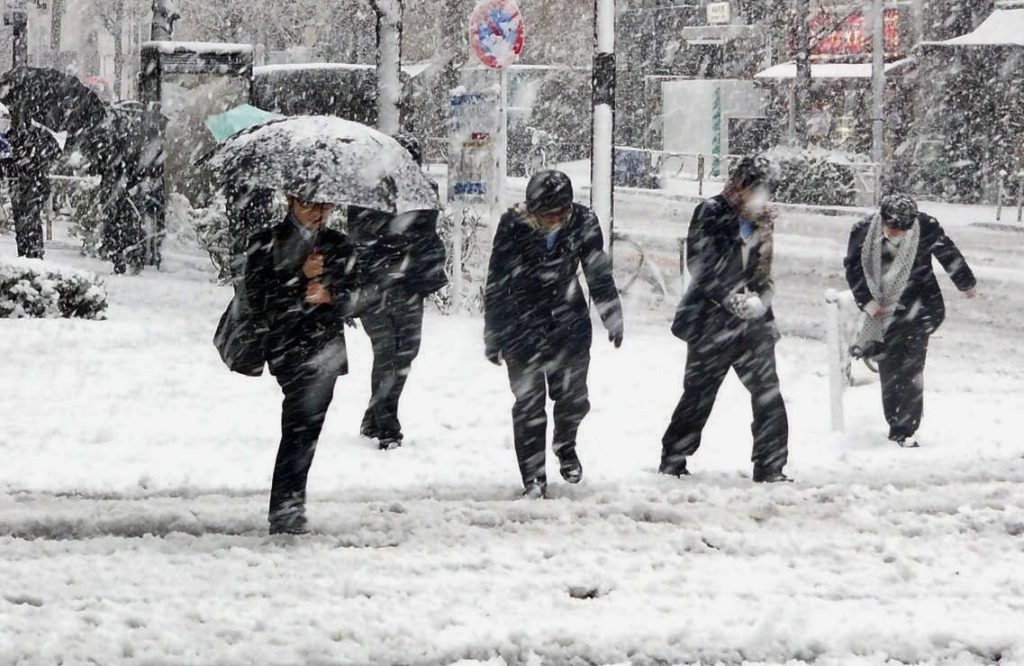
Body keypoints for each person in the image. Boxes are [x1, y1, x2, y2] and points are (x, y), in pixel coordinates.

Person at [484, 170, 624, 498]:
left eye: (554, 215)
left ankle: (565, 443)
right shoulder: (512, 223)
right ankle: (533, 477)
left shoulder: (583, 222)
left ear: (567, 209)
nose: (547, 221)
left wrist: (612, 315)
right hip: (522, 323)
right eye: (541, 214)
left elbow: (597, 271)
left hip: (568, 321)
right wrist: (493, 332)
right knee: (529, 404)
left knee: (573, 398)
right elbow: (497, 279)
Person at [242, 194, 372, 535]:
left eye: (326, 206)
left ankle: (289, 502)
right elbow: (258, 299)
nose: (319, 214)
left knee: (306, 429)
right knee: (299, 424)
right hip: (288, 346)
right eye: (310, 205)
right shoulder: (267, 242)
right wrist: (298, 277)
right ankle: (286, 506)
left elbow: (359, 297)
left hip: (325, 349)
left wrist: (332, 295)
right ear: (290, 200)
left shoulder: (338, 245)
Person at [660, 155, 790, 483]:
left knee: (768, 394)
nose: (763, 200)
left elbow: (762, 272)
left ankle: (771, 466)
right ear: (741, 185)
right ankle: (674, 459)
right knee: (699, 394)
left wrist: (761, 300)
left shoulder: (763, 221)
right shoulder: (711, 212)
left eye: (768, 193)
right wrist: (728, 297)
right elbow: (700, 264)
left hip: (753, 325)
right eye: (758, 191)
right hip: (710, 321)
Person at [844, 192, 977, 448]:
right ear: (882, 219)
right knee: (890, 369)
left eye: (903, 228)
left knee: (912, 369)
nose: (897, 233)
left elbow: (947, 253)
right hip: (883, 311)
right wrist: (869, 302)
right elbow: (853, 267)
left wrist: (966, 283)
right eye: (892, 227)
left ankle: (905, 430)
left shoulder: (924, 226)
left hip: (920, 307)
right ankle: (895, 421)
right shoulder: (862, 231)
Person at [348, 135, 448, 450]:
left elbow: (426, 234)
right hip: (375, 286)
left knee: (406, 354)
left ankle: (374, 414)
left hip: (410, 286)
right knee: (386, 351)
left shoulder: (425, 190)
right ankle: (388, 427)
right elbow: (362, 239)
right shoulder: (365, 190)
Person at [7, 110, 60, 259]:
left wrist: (35, 160)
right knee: (21, 222)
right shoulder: (10, 136)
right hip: (19, 185)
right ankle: (24, 253)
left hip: (33, 183)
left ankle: (34, 254)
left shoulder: (37, 134)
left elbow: (54, 151)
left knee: (31, 220)